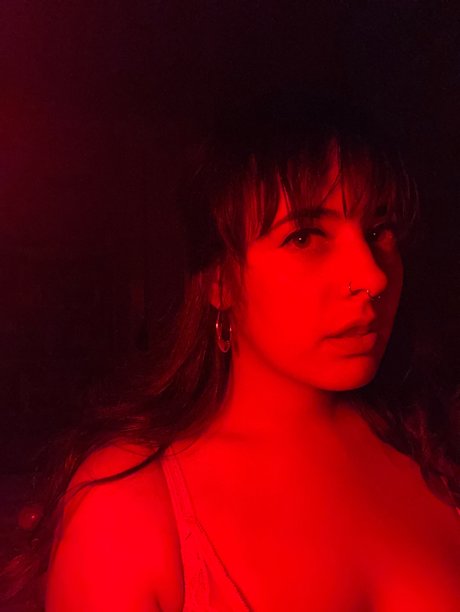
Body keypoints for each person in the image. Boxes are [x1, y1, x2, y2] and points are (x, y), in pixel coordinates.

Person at [2, 91, 459, 611]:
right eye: (305, 237)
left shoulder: (434, 451)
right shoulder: (132, 504)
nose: (372, 277)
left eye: (379, 230)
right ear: (219, 281)